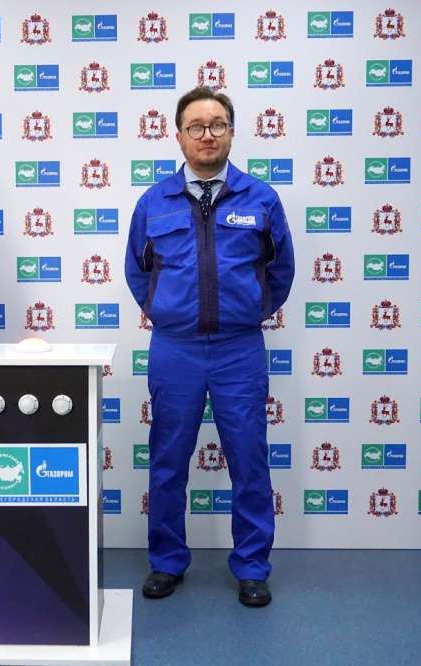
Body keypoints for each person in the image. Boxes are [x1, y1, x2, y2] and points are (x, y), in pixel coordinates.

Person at [124, 87, 295, 607]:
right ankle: (167, 561)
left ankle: (252, 566)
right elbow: (138, 271)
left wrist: (248, 312)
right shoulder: (153, 202)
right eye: (195, 126)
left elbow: (281, 270)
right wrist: (167, 312)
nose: (207, 135)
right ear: (178, 136)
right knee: (168, 460)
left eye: (217, 124)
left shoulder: (260, 199)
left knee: (249, 458)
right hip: (174, 349)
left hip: (238, 350)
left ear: (232, 133)